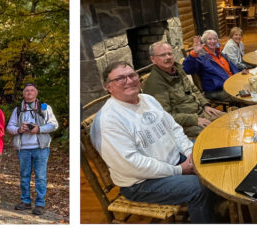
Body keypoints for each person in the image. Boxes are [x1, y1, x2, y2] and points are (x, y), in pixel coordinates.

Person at [91, 61, 217, 223]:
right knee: (198, 187)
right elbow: (132, 165)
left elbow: (174, 128)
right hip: (141, 182)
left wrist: (189, 152)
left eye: (132, 75)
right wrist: (179, 170)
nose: (129, 81)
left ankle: (215, 212)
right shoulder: (109, 121)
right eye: (120, 79)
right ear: (109, 87)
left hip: (175, 161)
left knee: (213, 159)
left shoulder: (147, 99)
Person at [143, 41, 225, 139]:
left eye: (169, 53)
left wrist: (205, 105)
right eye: (162, 55)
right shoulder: (155, 83)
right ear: (153, 59)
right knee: (218, 133)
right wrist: (195, 119)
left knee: (231, 120)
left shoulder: (177, 69)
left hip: (200, 111)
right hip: (184, 124)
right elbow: (165, 116)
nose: (168, 57)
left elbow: (193, 89)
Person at [7, 83, 59, 215]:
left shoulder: (45, 108)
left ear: (36, 93)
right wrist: (19, 129)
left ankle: (40, 203)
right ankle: (25, 201)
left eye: (32, 90)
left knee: (41, 177)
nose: (29, 93)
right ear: (23, 94)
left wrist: (39, 129)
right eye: (26, 91)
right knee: (24, 176)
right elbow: (9, 127)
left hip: (40, 148)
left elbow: (54, 125)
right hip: (23, 148)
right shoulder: (18, 110)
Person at [184, 30, 240, 102]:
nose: (212, 41)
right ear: (204, 41)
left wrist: (239, 74)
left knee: (249, 87)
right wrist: (194, 52)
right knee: (242, 95)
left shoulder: (220, 53)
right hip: (216, 90)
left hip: (231, 83)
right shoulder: (200, 57)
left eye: (215, 39)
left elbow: (233, 68)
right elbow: (187, 70)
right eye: (209, 39)